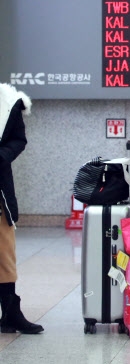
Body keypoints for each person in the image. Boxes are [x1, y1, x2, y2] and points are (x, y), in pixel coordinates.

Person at [0, 83, 43, 334]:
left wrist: (2, 156)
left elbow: (18, 139)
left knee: (5, 254)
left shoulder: (9, 102)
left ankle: (10, 313)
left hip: (0, 190)